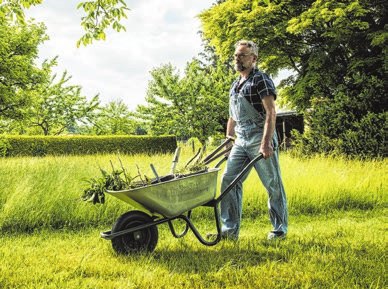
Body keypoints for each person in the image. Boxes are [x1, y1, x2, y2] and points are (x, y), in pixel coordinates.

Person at [220, 40, 288, 241]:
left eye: (242, 55)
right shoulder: (235, 85)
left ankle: (279, 231)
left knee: (273, 184)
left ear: (254, 58)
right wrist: (228, 141)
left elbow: (271, 112)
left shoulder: (261, 80)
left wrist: (266, 142)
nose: (237, 59)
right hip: (241, 139)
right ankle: (229, 231)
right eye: (236, 55)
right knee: (228, 180)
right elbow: (232, 116)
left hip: (260, 136)